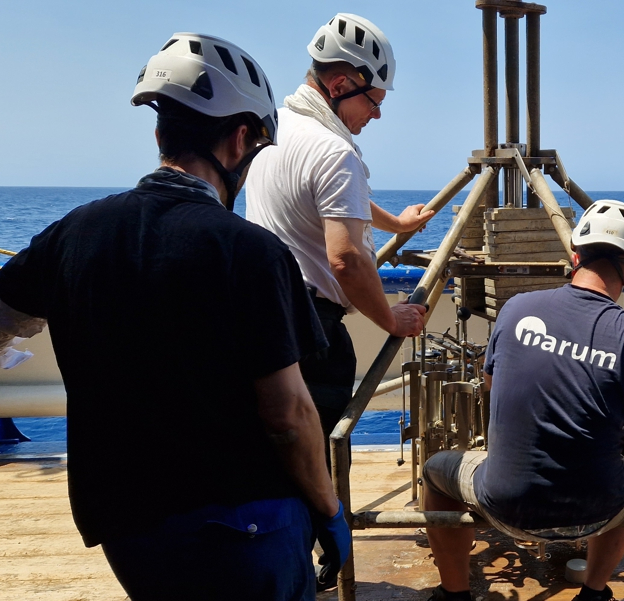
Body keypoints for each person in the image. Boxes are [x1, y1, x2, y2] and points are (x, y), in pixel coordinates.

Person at [0, 34, 351, 600]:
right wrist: (329, 512)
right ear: (238, 141)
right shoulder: (252, 252)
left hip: (129, 530)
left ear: (160, 134)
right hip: (245, 527)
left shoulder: (72, 233)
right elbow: (288, 415)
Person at [244, 13, 431, 589]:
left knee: (271, 458)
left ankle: (274, 567)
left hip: (262, 317)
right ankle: (308, 566)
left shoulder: (274, 131)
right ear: (343, 81)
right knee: (313, 460)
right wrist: (389, 316)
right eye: (374, 98)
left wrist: (394, 220)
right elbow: (348, 260)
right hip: (314, 330)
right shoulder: (335, 151)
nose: (376, 112)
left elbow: (335, 195)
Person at [421, 200, 624, 601]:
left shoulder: (517, 308)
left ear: (575, 256)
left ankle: (455, 593)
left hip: (502, 505)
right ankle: (594, 591)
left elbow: (489, 386)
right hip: (595, 514)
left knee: (436, 470)